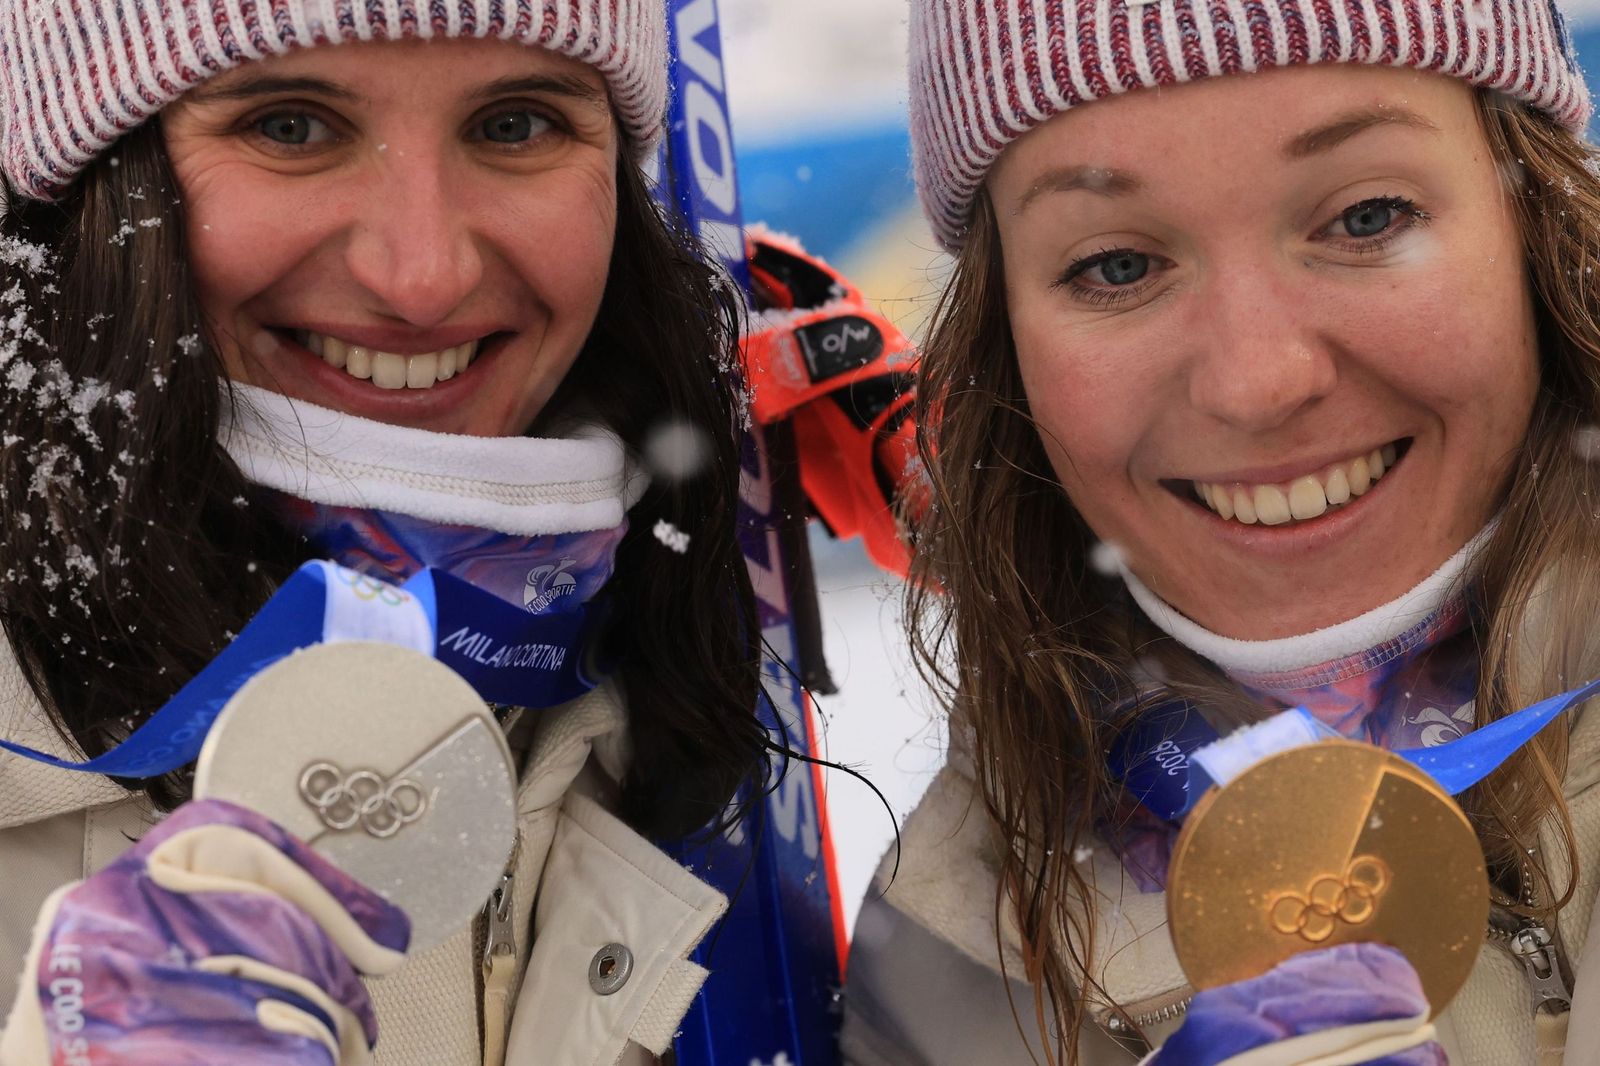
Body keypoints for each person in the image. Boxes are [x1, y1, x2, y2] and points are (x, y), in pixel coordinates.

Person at [0, 3, 784, 1063]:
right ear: (84, 182)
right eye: (288, 126)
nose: (422, 278)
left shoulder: (657, 658)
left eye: (513, 125)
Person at [842, 0, 1600, 1062]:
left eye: (1367, 215)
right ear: (1004, 344)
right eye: (1115, 266)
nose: (1255, 382)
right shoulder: (960, 955)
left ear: (1536, 219)